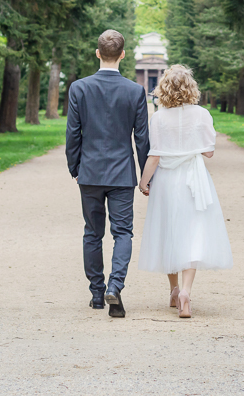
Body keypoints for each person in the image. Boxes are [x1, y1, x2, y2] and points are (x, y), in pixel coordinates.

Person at [65, 29, 150, 318]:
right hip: (122, 174)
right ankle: (116, 286)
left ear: (98, 53)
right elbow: (142, 138)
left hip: (89, 172)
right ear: (123, 55)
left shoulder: (79, 88)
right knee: (123, 232)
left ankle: (97, 294)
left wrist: (74, 167)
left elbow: (73, 134)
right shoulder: (135, 91)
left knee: (92, 232)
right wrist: (144, 175)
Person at [137, 64, 233, 318]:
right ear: (191, 88)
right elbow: (209, 151)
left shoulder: (158, 117)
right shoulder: (202, 114)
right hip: (194, 178)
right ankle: (186, 292)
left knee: (169, 231)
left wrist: (144, 182)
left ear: (164, 89)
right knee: (192, 233)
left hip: (168, 180)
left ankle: (173, 289)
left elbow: (154, 155)